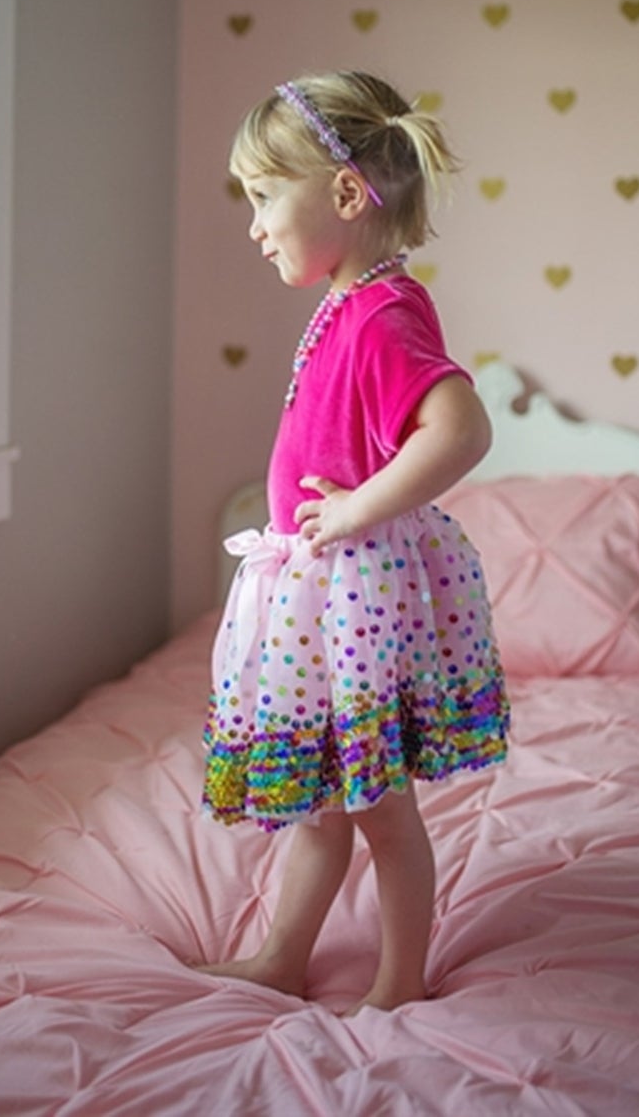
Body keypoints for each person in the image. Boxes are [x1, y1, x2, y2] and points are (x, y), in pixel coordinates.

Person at [197, 70, 511, 1015]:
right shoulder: (348, 301)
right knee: (322, 807)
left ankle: (399, 980)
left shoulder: (382, 311)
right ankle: (281, 959)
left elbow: (461, 430)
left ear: (342, 193)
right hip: (317, 599)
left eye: (264, 197)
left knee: (380, 810)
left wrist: (356, 511)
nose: (254, 227)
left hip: (354, 606)